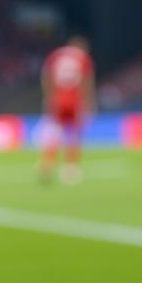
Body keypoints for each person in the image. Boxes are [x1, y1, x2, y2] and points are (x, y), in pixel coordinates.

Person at [40, 35, 94, 184]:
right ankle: (71, 168)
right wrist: (87, 102)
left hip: (57, 99)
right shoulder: (82, 58)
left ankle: (47, 164)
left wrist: (49, 97)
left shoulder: (56, 55)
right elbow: (86, 81)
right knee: (75, 134)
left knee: (55, 132)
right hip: (74, 100)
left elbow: (47, 77)